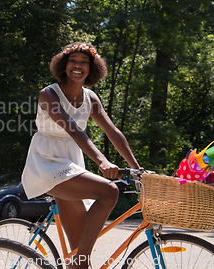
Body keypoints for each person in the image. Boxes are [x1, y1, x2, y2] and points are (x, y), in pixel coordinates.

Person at [21, 42, 141, 269]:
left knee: (77, 252)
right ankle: (81, 262)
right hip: (46, 162)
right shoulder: (49, 94)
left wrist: (137, 168)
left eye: (84, 62)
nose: (78, 65)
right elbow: (73, 130)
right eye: (73, 61)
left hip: (72, 163)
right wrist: (102, 161)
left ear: (92, 68)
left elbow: (112, 132)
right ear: (64, 66)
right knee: (109, 191)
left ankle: (78, 263)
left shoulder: (91, 99)